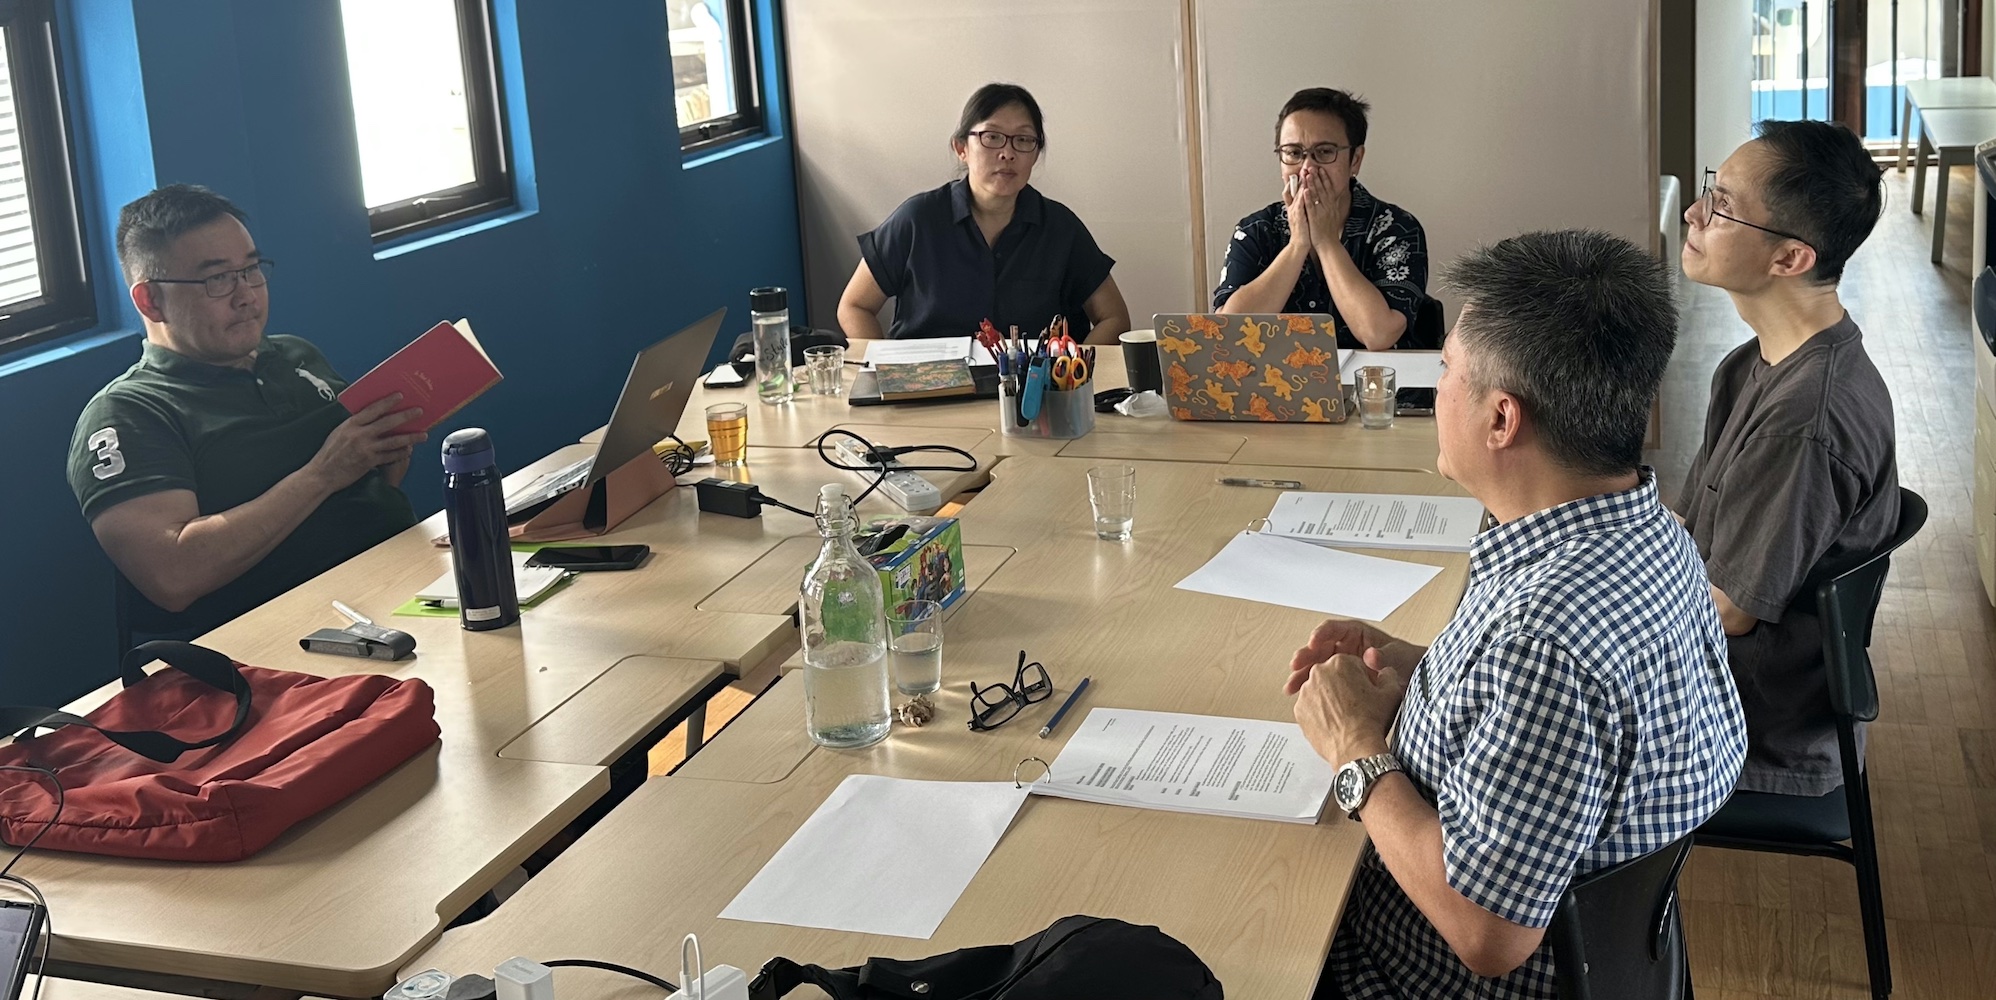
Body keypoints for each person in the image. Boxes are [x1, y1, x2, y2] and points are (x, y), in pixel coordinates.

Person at [1288, 231, 1746, 999]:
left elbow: (1488, 933)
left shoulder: (1542, 642)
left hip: (1418, 976)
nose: (1434, 393)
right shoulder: (1641, 524)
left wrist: (1355, 751)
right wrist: (1414, 666)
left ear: (1502, 420)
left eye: (1444, 373)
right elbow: (1549, 721)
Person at [69, 184, 424, 642]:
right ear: (150, 301)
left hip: (397, 584)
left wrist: (381, 462)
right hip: (275, 649)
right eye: (217, 279)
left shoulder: (297, 354)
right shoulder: (128, 414)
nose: (247, 296)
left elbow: (351, 503)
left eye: (251, 270)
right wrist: (322, 474)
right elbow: (171, 576)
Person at [1676, 120, 1897, 799]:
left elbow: (1729, 610)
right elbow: (1689, 537)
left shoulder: (1806, 419)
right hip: (1713, 681)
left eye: (1723, 206)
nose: (1694, 211)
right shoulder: (1755, 362)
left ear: (1790, 260)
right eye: (1711, 188)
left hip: (1746, 725)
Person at [837, 83, 1131, 345]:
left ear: (1036, 153)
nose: (1008, 153)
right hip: (929, 396)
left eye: (1024, 140)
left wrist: (1069, 373)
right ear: (961, 147)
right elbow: (854, 305)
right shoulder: (918, 220)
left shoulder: (1059, 227)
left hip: (1033, 396)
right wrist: (887, 371)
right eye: (992, 137)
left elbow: (1114, 318)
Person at [1214, 88, 1427, 350]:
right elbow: (1227, 334)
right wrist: (1297, 245)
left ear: (1355, 160)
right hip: (1278, 386)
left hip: (1377, 388)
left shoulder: (1396, 228)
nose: (1307, 168)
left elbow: (1378, 334)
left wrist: (1326, 241)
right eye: (1293, 153)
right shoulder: (1255, 230)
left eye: (1324, 152)